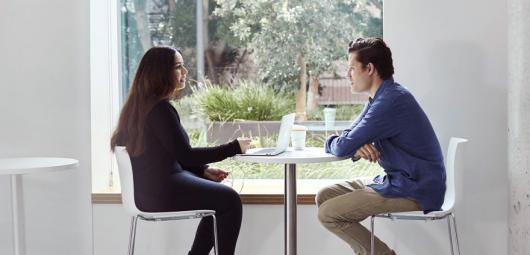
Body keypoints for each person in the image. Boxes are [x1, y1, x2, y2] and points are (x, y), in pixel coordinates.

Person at [110, 46, 251, 255]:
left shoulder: (142, 106)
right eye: (178, 67)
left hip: (149, 190)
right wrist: (234, 147)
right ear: (161, 73)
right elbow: (185, 154)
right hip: (159, 191)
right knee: (229, 200)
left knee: (218, 199)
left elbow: (168, 155)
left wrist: (202, 171)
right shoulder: (160, 109)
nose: (184, 72)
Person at [316, 38, 446, 255]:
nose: (348, 75)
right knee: (324, 196)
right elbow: (348, 139)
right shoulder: (380, 97)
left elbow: (342, 146)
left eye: (351, 69)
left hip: (416, 188)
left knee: (328, 214)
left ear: (369, 68)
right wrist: (354, 146)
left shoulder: (390, 102)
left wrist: (345, 144)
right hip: (400, 180)